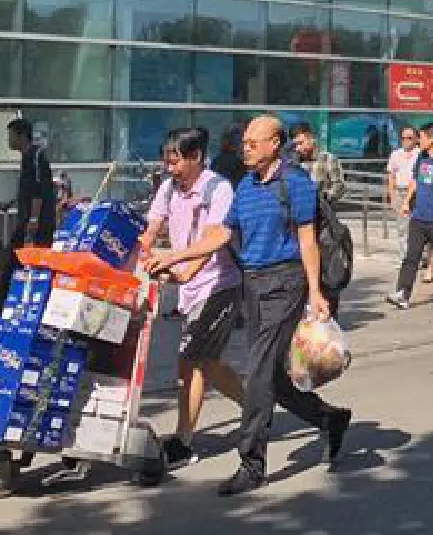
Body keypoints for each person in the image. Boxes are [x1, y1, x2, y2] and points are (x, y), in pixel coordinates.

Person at [143, 114, 350, 497]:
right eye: (244, 142)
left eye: (253, 142)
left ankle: (251, 463)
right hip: (252, 284)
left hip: (285, 282)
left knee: (256, 371)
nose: (246, 147)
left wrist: (316, 293)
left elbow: (307, 240)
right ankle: (330, 418)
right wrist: (175, 257)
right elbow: (222, 234)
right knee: (272, 378)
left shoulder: (296, 183)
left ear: (275, 144)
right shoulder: (246, 187)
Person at [136, 128, 246, 469]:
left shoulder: (219, 189)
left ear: (196, 156)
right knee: (205, 364)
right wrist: (142, 251)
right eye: (167, 161)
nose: (171, 169)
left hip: (219, 284)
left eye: (177, 161)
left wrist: (179, 268)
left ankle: (184, 441)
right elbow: (152, 226)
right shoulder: (169, 187)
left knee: (193, 362)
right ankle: (257, 407)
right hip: (190, 288)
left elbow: (214, 240)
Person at [388, 121, 433, 309]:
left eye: (422, 137)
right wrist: (406, 202)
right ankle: (403, 293)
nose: (419, 141)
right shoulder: (422, 158)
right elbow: (416, 181)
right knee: (411, 256)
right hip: (419, 216)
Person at [7, 118, 58, 247]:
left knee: (32, 255)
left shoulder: (36, 156)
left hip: (40, 219)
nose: (9, 140)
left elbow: (38, 190)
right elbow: (28, 188)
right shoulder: (26, 156)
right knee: (17, 250)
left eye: (11, 136)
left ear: (22, 136)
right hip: (27, 217)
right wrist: (13, 202)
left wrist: (34, 219)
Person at [288, 122, 345, 206]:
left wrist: (323, 198)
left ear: (311, 138)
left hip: (322, 214)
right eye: (295, 145)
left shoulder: (328, 159)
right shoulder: (292, 163)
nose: (297, 148)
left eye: (300, 143)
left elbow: (339, 186)